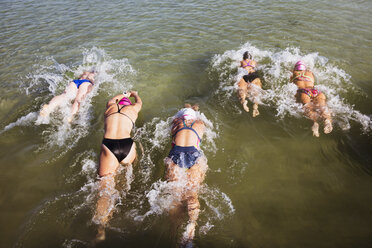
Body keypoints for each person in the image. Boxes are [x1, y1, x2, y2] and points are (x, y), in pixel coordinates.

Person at [93, 91, 142, 241]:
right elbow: (139, 102)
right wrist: (134, 93)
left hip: (109, 146)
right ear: (129, 105)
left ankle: (101, 229)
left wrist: (124, 93)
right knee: (133, 167)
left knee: (105, 187)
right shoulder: (133, 109)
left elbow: (113, 99)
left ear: (118, 103)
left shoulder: (110, 107)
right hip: (128, 146)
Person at [164, 104, 208, 245]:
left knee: (176, 195)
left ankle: (174, 229)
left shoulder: (176, 123)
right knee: (192, 194)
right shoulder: (200, 123)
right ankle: (192, 226)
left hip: (176, 155)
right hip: (194, 155)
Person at [290, 61, 333, 137]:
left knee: (308, 109)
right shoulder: (310, 73)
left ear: (295, 68)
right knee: (323, 108)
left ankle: (314, 123)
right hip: (316, 91)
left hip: (303, 91)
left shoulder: (293, 73)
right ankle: (327, 120)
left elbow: (290, 83)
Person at [238, 51, 262, 117]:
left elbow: (239, 68)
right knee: (256, 91)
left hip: (244, 73)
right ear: (251, 58)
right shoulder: (254, 62)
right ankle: (255, 106)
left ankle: (243, 101)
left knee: (242, 90)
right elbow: (258, 68)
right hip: (254, 74)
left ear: (243, 57)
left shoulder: (241, 62)